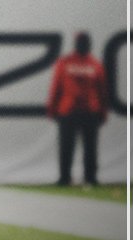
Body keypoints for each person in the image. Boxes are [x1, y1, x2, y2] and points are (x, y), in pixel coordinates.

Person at [46, 31, 108, 186]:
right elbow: (102, 91)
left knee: (87, 148)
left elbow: (102, 90)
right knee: (74, 147)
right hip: (75, 110)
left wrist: (52, 108)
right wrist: (102, 111)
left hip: (79, 110)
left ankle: (86, 177)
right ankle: (68, 177)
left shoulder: (70, 63)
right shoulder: (93, 64)